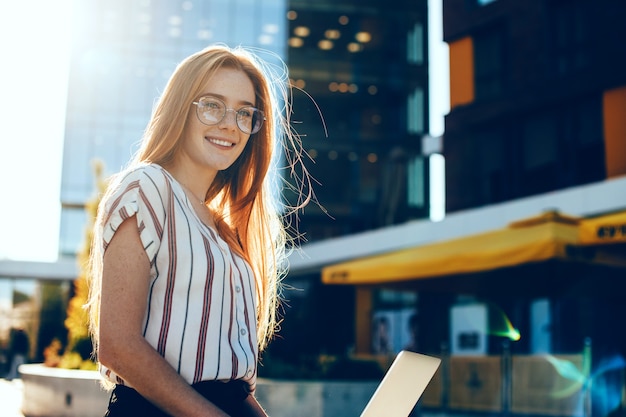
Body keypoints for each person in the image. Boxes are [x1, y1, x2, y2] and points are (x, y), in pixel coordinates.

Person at [86, 44, 311, 416]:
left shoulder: (223, 229)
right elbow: (119, 345)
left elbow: (230, 381)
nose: (229, 124)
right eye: (212, 105)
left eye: (244, 113)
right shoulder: (146, 187)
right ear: (181, 109)